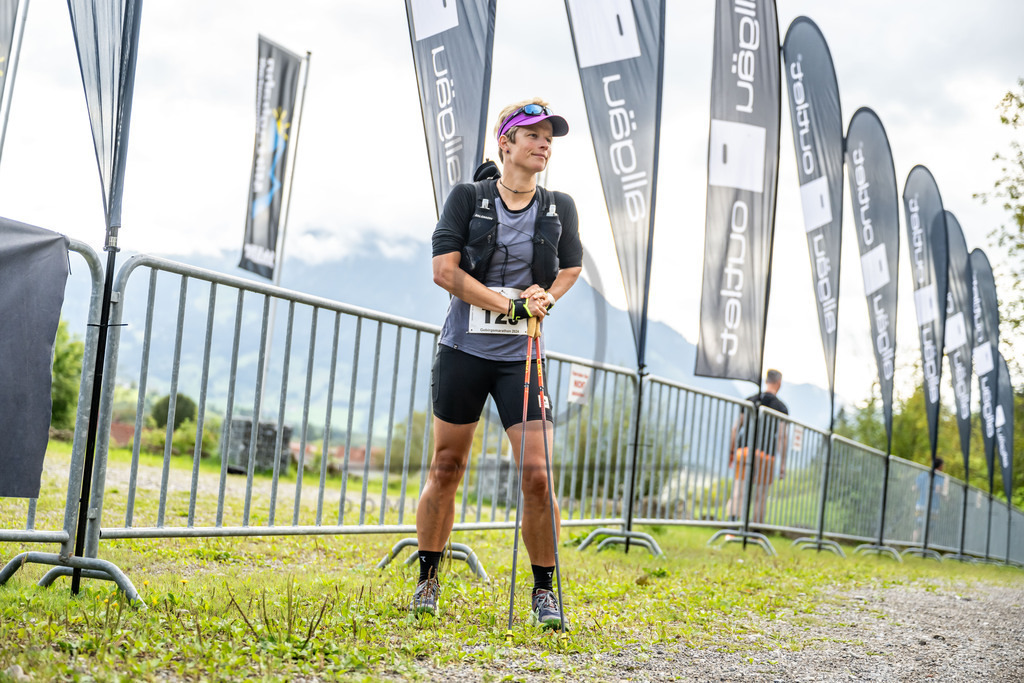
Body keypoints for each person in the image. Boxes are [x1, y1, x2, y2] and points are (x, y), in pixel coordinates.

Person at [413, 99, 582, 631]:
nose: (544, 142)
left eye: (549, 135)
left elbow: (571, 268)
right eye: (532, 133)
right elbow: (444, 271)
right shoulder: (469, 198)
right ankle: (428, 577)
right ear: (505, 143)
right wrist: (506, 304)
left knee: (537, 475)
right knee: (447, 467)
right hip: (464, 350)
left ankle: (543, 592)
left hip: (523, 359)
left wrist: (547, 296)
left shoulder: (559, 206)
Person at [725, 369, 788, 525]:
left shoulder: (750, 400)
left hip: (744, 450)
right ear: (779, 383)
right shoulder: (781, 407)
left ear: (766, 381)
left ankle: (733, 527)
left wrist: (732, 452)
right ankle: (756, 531)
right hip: (766, 454)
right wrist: (783, 463)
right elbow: (782, 436)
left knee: (739, 489)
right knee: (761, 495)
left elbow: (735, 428)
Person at [914, 458, 947, 543]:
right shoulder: (940, 477)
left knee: (919, 527)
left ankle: (913, 544)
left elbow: (915, 487)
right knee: (929, 529)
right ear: (939, 466)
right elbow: (939, 491)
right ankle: (926, 546)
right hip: (933, 507)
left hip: (921, 504)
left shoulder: (923, 475)